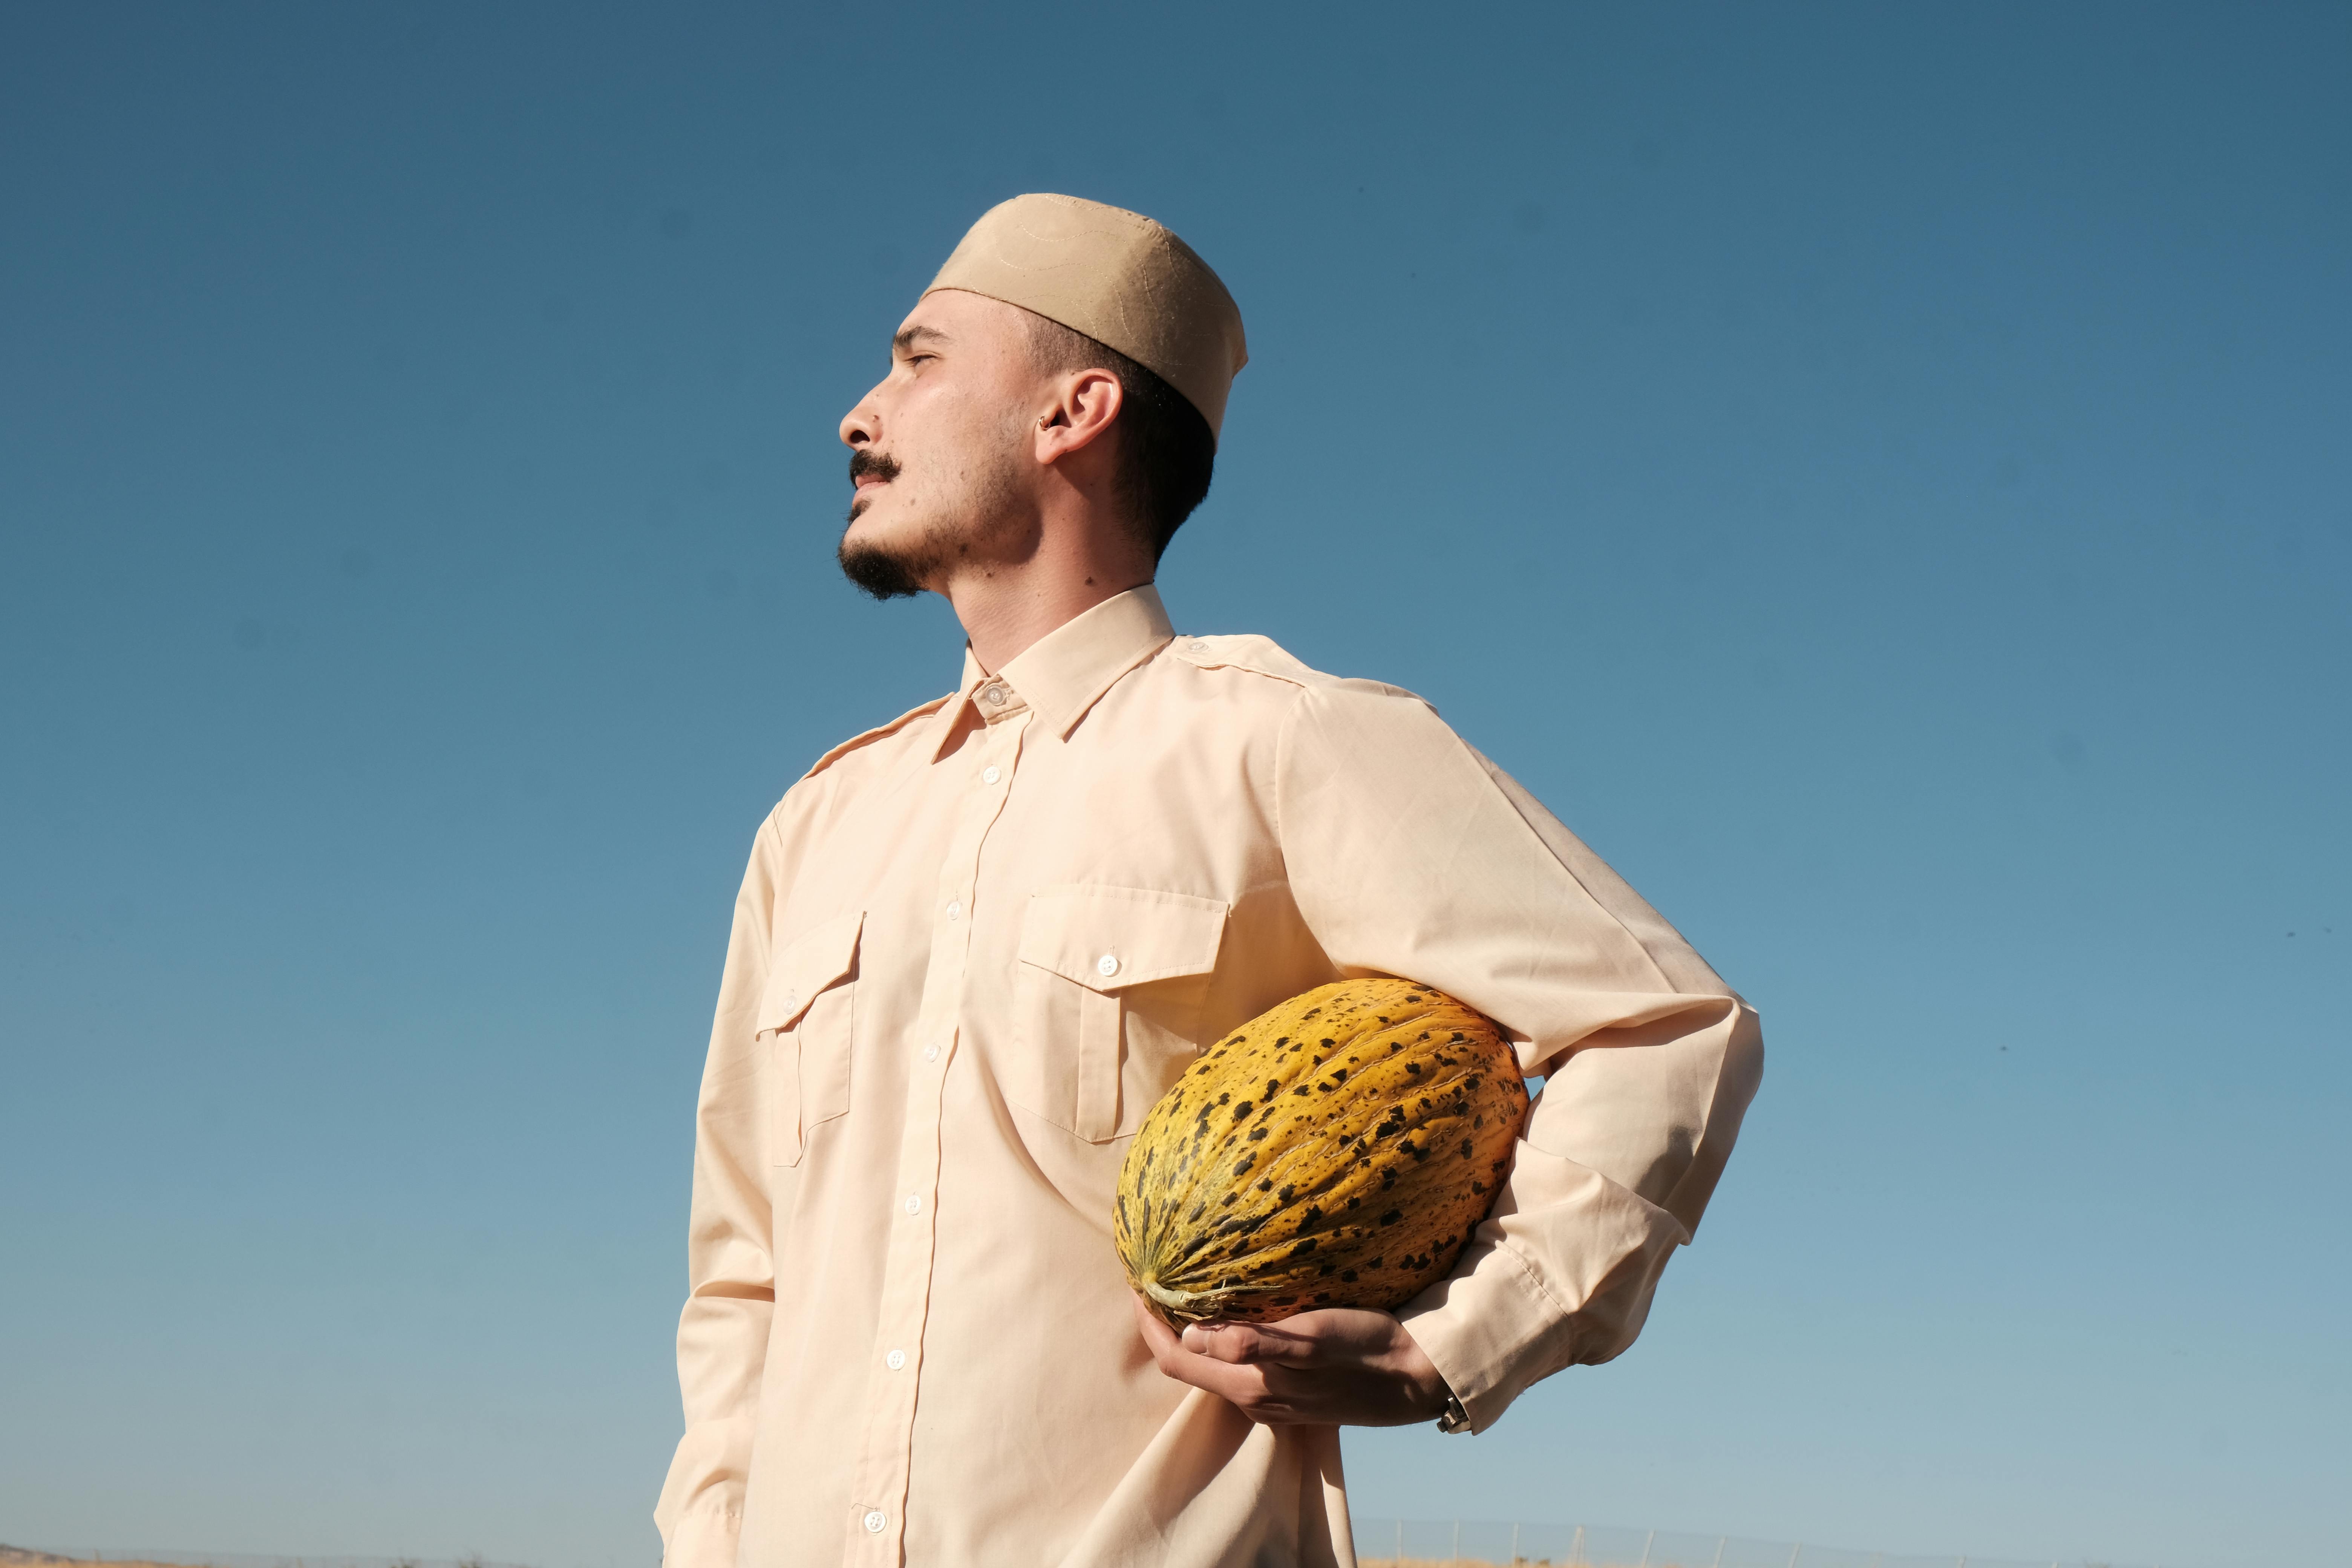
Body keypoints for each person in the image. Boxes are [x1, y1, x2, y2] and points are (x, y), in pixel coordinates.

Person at [653, 193, 1763, 1568]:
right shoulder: (815, 827)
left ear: (1075, 411)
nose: (858, 412)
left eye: (920, 358)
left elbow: (1667, 1027)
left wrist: (1452, 1348)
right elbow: (742, 1275)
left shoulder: (1283, 739)